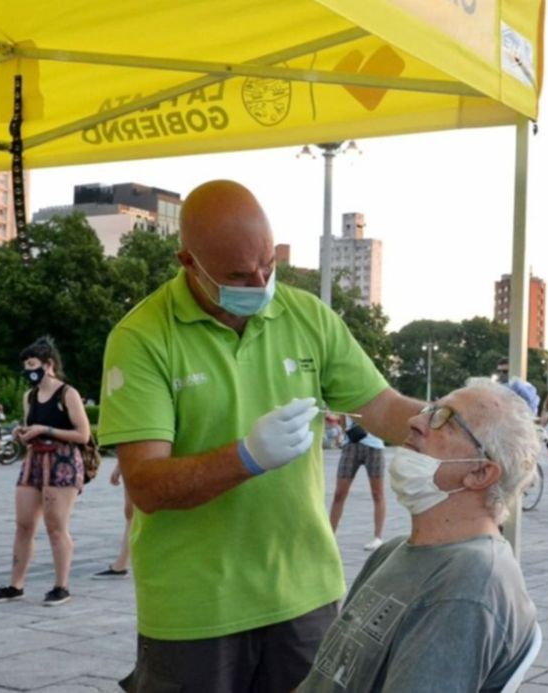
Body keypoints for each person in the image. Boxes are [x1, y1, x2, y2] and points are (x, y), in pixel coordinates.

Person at [98, 181, 425, 693]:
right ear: (188, 260)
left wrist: (458, 422)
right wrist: (246, 457)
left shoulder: (306, 316)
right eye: (237, 274)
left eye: (268, 266)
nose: (258, 281)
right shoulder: (141, 337)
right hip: (194, 610)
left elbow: (381, 407)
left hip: (304, 596)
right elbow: (146, 484)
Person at [297, 380, 540, 692]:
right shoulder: (395, 550)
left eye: (444, 419)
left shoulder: (468, 582)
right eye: (430, 409)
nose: (415, 421)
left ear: (481, 472)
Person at [0, 338, 93, 606]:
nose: (28, 370)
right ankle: (15, 584)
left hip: (62, 461)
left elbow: (83, 433)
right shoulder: (29, 396)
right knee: (23, 524)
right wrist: (24, 433)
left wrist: (46, 430)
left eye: (32, 364)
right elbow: (30, 424)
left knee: (56, 525)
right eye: (26, 365)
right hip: (34, 459)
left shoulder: (68, 393)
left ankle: (61, 586)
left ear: (48, 364)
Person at [330, 418, 387, 551]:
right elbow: (343, 415)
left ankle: (377, 537)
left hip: (374, 445)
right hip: (351, 444)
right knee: (339, 494)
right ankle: (330, 535)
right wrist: (344, 433)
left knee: (377, 493)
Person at [91, 462, 133, 580]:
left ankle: (122, 564)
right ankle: (122, 564)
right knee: (131, 512)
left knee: (134, 512)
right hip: (135, 458)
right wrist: (120, 466)